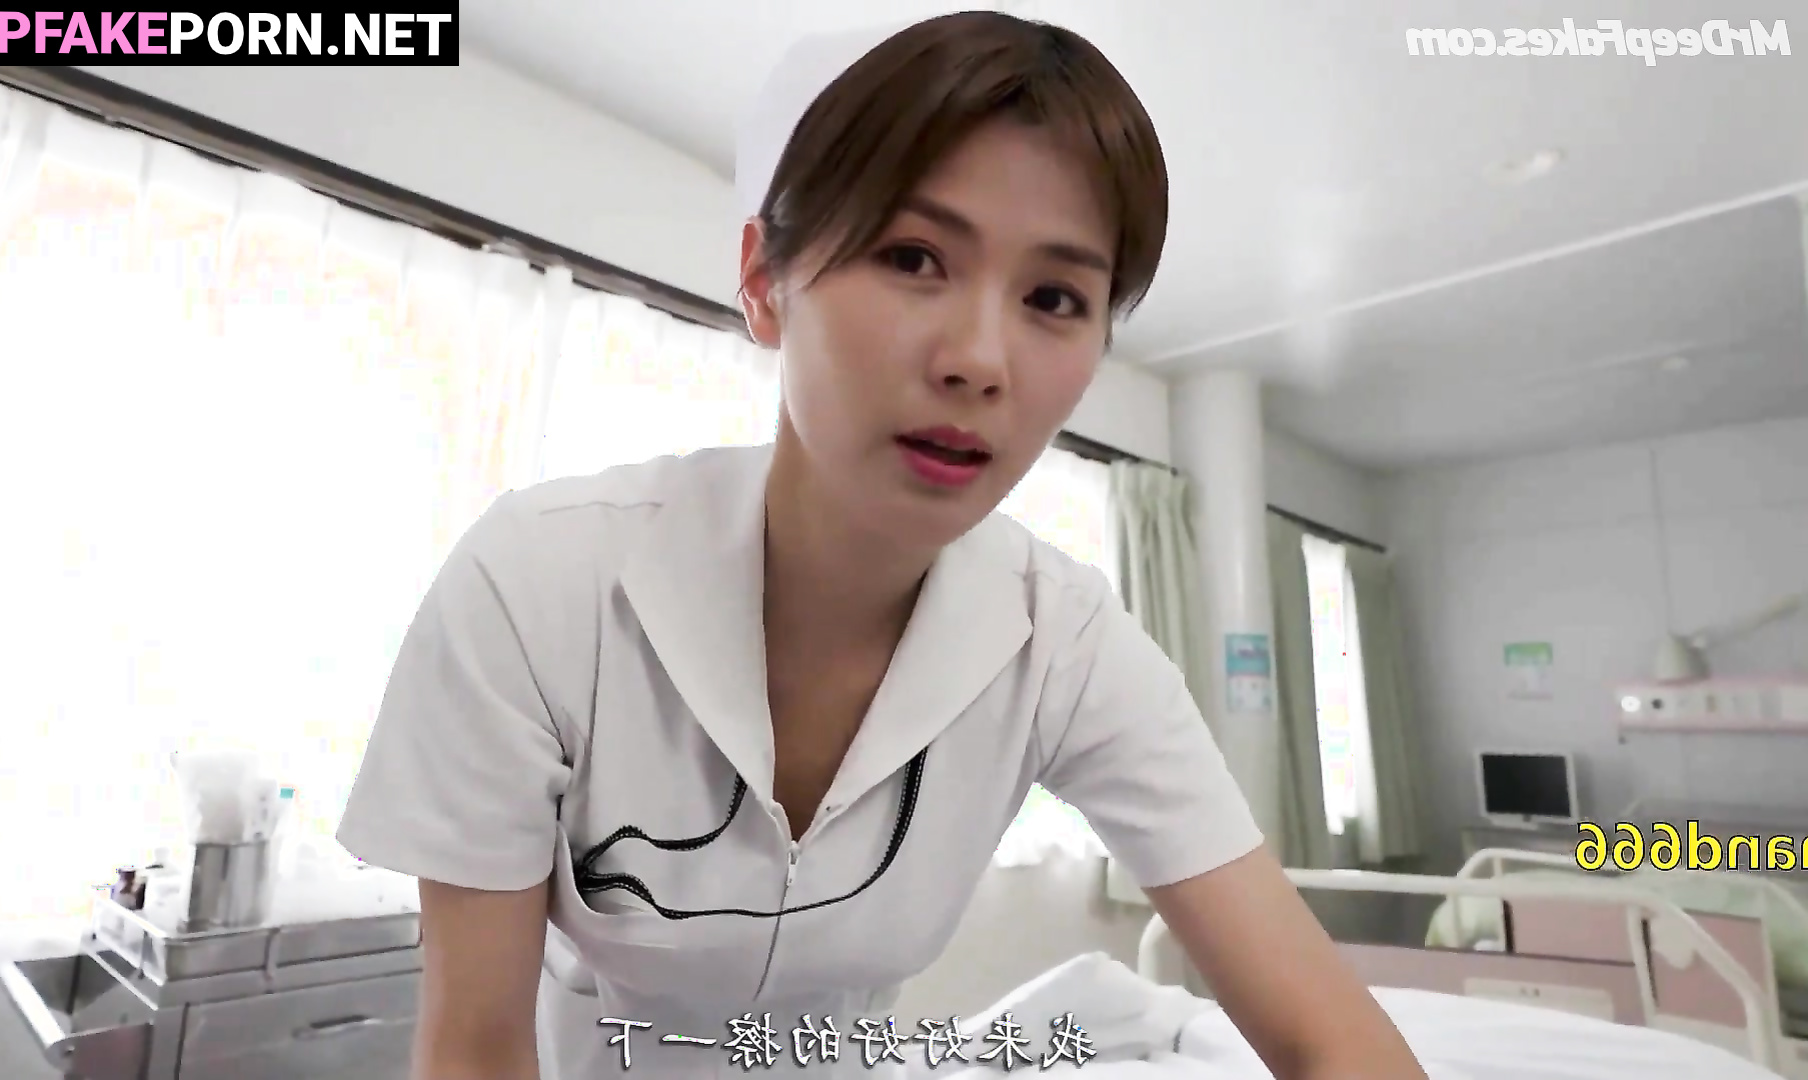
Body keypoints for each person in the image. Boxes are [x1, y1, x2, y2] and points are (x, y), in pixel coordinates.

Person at [337, 11, 1427, 1079]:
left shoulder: (1063, 643)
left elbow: (1325, 1032)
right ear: (765, 281)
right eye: (913, 257)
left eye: (1054, 297)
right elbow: (474, 1049)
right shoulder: (539, 584)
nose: (980, 360)